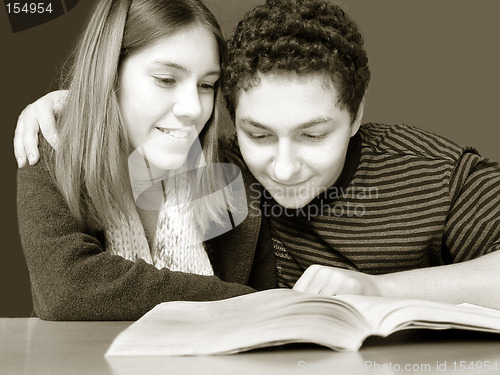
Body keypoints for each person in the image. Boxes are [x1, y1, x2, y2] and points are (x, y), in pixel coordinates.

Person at [15, 0, 500, 309]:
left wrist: (379, 290)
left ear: (355, 116)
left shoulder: (433, 173)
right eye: (260, 135)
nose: (284, 169)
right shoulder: (224, 174)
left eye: (313, 136)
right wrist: (73, 107)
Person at [14, 0, 280, 321]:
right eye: (166, 80)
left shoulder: (235, 176)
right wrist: (241, 300)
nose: (193, 108)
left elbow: (271, 319)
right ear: (110, 73)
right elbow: (67, 290)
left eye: (206, 85)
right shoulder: (54, 151)